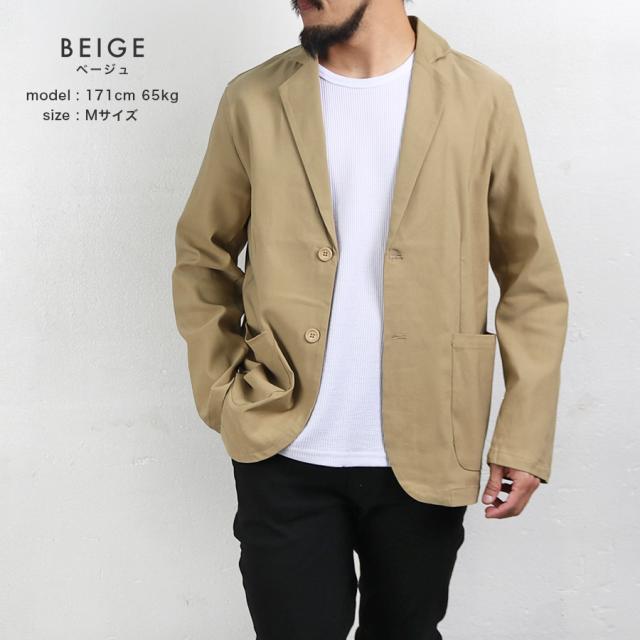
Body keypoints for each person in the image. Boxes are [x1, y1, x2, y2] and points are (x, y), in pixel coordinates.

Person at [171, 2, 569, 638]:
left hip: (430, 442)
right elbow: (203, 255)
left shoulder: (481, 97)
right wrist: (223, 391)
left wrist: (522, 438)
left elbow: (532, 281)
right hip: (283, 444)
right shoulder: (253, 99)